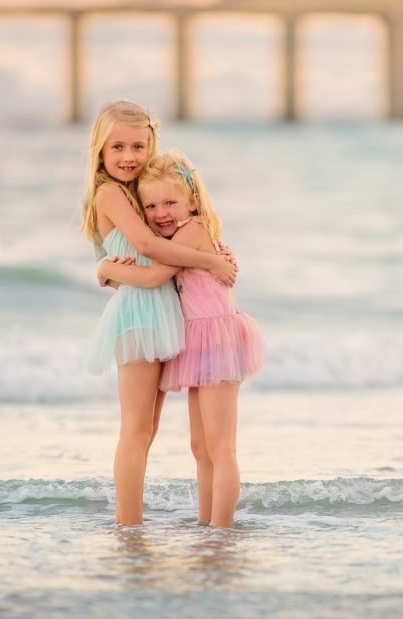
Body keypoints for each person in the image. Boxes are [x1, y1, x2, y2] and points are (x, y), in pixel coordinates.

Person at [81, 101, 237, 526]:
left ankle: (139, 524)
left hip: (163, 318)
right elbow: (146, 251)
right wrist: (209, 260)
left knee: (146, 431)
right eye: (118, 147)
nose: (128, 156)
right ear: (100, 150)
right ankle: (128, 524)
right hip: (140, 318)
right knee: (136, 430)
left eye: (138, 146)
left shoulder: (144, 194)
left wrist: (108, 270)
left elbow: (133, 253)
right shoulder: (110, 193)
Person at [98, 151, 263, 528]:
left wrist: (106, 270)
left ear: (192, 199)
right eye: (151, 205)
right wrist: (106, 268)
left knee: (220, 448)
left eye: (170, 202)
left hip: (217, 339)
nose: (160, 213)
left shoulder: (192, 231)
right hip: (198, 341)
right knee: (200, 447)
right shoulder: (182, 234)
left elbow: (155, 274)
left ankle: (221, 529)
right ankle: (208, 527)